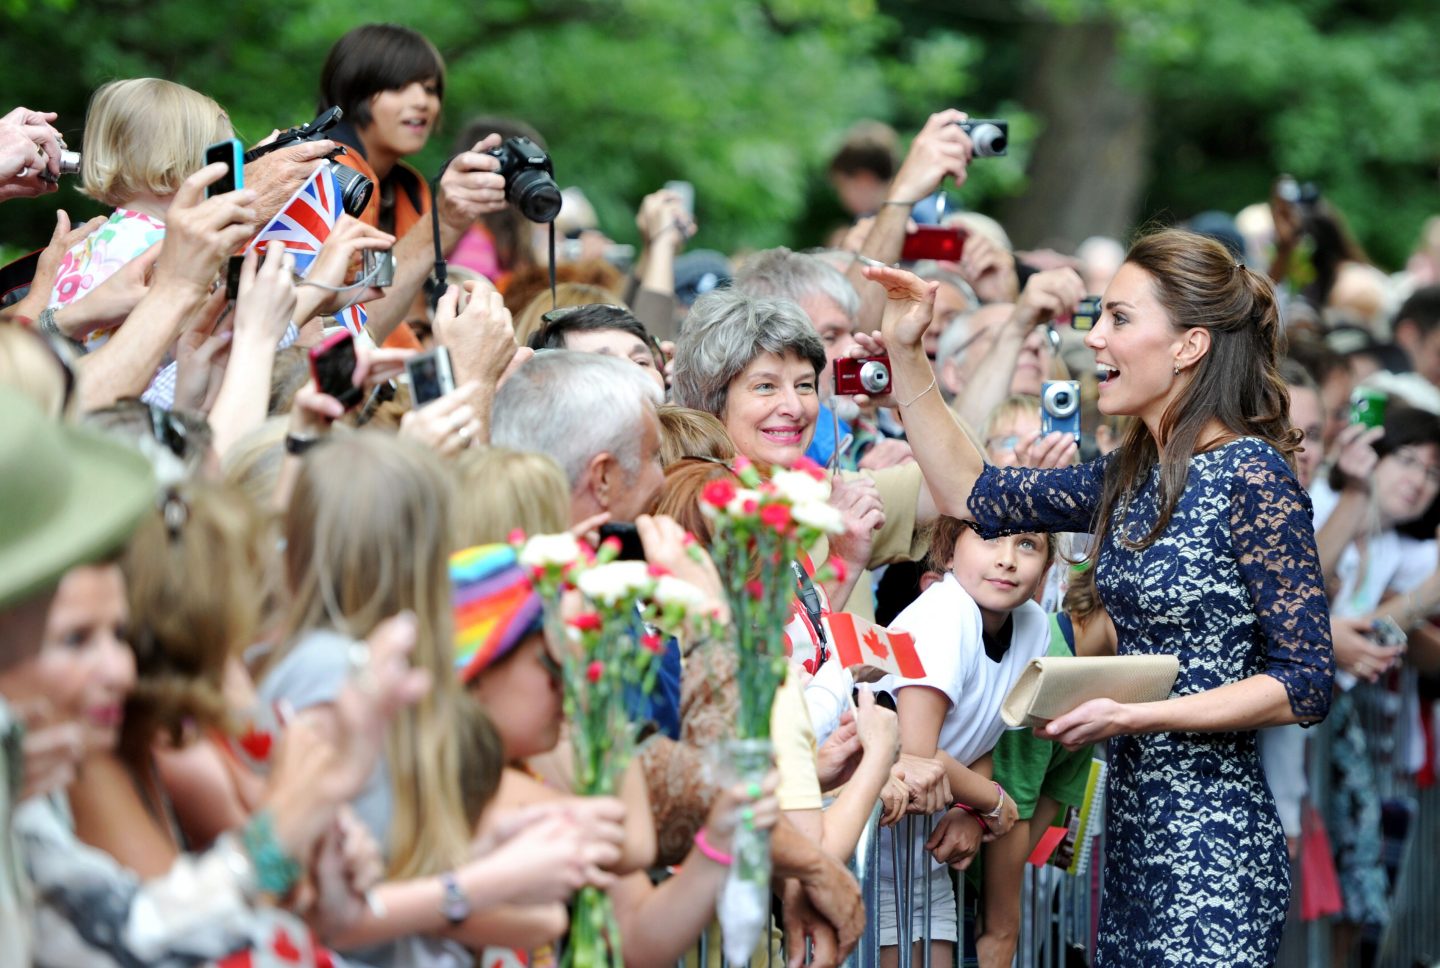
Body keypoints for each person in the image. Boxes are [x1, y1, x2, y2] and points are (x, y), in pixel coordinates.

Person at [863, 228, 1334, 965]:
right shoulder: (1131, 475)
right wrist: (907, 351)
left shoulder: (1252, 475)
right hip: (1134, 840)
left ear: (1189, 346)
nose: (1094, 339)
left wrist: (1136, 714)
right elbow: (973, 493)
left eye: (1118, 318)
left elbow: (1306, 683)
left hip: (1214, 840)